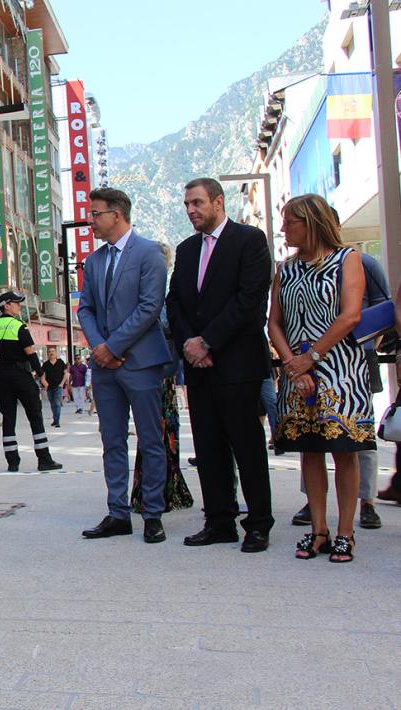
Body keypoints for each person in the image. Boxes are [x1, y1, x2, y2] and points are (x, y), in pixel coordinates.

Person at [166, 177, 274, 553]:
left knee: (247, 447)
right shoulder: (186, 248)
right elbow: (175, 301)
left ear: (218, 201)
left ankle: (258, 523)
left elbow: (249, 300)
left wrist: (207, 340)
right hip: (199, 367)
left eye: (197, 203)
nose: (191, 210)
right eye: (187, 205)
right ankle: (219, 521)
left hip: (238, 364)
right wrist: (190, 345)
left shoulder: (249, 241)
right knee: (209, 448)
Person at [269, 194, 374, 563]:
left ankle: (346, 532)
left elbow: (350, 317)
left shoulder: (348, 259)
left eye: (290, 221)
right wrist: (292, 363)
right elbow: (274, 323)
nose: (283, 228)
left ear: (310, 222)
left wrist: (310, 358)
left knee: (345, 452)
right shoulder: (285, 268)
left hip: (340, 371)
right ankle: (318, 530)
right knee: (309, 451)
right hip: (297, 373)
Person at [76, 188, 170, 544]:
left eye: (96, 213)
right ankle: (118, 512)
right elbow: (85, 308)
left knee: (150, 439)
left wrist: (113, 346)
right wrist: (100, 347)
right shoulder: (95, 261)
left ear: (117, 214)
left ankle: (152, 514)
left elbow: (150, 308)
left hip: (140, 362)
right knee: (111, 440)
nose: (91, 220)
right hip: (105, 367)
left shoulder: (149, 253)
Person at [291, 249, 387, 530]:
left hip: (355, 359)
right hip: (311, 356)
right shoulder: (297, 267)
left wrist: (371, 346)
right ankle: (313, 500)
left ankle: (366, 502)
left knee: (357, 433)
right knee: (310, 431)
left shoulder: (361, 262)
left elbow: (384, 307)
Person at [130, 243, 194, 513]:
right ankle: (158, 490)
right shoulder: (157, 297)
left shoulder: (161, 295)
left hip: (162, 372)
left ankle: (161, 488)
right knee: (157, 432)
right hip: (157, 372)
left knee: (159, 432)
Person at [0, 291, 62, 473]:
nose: (20, 306)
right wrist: (41, 375)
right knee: (35, 415)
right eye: (17, 303)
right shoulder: (19, 326)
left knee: (8, 418)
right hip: (21, 375)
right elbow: (31, 353)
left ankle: (12, 462)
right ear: (7, 305)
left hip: (2, 376)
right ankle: (44, 459)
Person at [40, 346, 67, 427]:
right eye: (50, 352)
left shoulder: (60, 362)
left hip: (58, 386)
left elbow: (66, 374)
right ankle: (55, 419)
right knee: (52, 404)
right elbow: (42, 375)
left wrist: (62, 384)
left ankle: (57, 421)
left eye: (53, 351)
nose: (51, 353)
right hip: (49, 387)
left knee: (57, 403)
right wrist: (44, 383)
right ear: (48, 354)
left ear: (56, 353)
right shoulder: (45, 364)